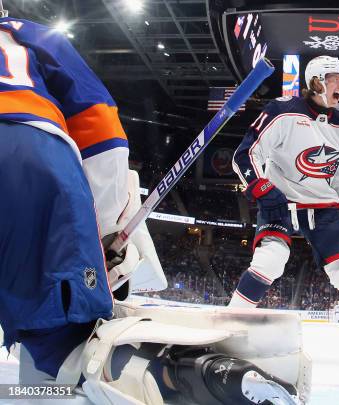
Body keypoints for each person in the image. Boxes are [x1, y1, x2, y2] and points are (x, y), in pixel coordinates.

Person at [0, 11, 300, 404]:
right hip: (26, 153)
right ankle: (186, 377)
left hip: (24, 154)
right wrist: (104, 232)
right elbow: (102, 131)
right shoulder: (25, 34)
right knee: (57, 337)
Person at [230, 55, 339, 362]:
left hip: (322, 210)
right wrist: (261, 187)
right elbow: (247, 154)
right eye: (336, 78)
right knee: (270, 260)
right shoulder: (282, 111)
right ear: (317, 80)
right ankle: (230, 324)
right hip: (281, 204)